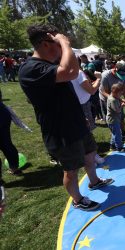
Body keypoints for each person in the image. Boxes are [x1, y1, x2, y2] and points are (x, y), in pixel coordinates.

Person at [19, 24, 113, 211]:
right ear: (45, 44)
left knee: (90, 154)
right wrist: (64, 41)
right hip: (60, 130)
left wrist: (80, 118)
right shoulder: (30, 69)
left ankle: (94, 181)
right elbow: (71, 72)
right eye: (56, 43)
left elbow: (72, 71)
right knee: (71, 169)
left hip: (76, 122)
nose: (61, 48)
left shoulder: (50, 64)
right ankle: (78, 199)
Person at [99, 61, 125, 140]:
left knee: (121, 116)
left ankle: (123, 133)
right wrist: (116, 100)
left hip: (117, 98)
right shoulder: (105, 76)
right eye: (120, 75)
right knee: (112, 119)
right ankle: (115, 136)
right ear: (115, 69)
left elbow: (124, 89)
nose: (122, 77)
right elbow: (104, 91)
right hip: (107, 99)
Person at [0, 101, 22, 175]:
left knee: (6, 143)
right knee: (6, 143)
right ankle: (14, 168)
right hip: (2, 113)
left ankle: (14, 167)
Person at [106, 83, 125, 152]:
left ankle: (112, 145)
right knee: (118, 134)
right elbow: (117, 110)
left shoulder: (113, 96)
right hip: (113, 120)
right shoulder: (113, 100)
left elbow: (120, 99)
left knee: (115, 133)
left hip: (113, 120)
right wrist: (122, 106)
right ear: (115, 93)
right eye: (120, 93)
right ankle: (119, 147)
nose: (121, 95)